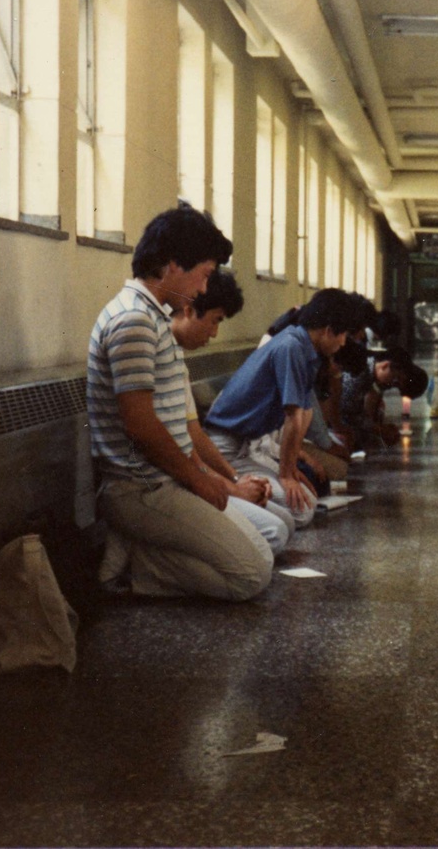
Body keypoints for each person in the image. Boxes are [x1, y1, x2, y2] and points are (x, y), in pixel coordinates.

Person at [87, 204, 273, 601]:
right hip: (141, 490)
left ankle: (141, 551)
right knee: (250, 575)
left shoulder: (153, 318)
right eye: (204, 275)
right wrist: (201, 481)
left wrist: (209, 478)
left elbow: (175, 423)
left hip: (165, 481)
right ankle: (137, 567)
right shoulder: (134, 321)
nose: (204, 289)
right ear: (172, 265)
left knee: (264, 546)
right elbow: (140, 425)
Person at [203, 288, 361, 520]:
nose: (343, 342)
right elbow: (294, 417)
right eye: (343, 335)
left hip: (247, 446)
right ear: (328, 331)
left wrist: (291, 468)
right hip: (226, 448)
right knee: (301, 510)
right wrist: (285, 474)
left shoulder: (305, 349)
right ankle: (219, 497)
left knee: (306, 498)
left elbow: (305, 415)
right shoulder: (291, 347)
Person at [170, 269, 293, 554]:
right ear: (188, 309)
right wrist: (231, 487)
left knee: (285, 520)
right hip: (173, 481)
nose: (214, 334)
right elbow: (175, 449)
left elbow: (194, 434)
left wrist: (236, 479)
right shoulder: (155, 345)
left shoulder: (177, 359)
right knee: (274, 533)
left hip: (200, 470)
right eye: (215, 321)